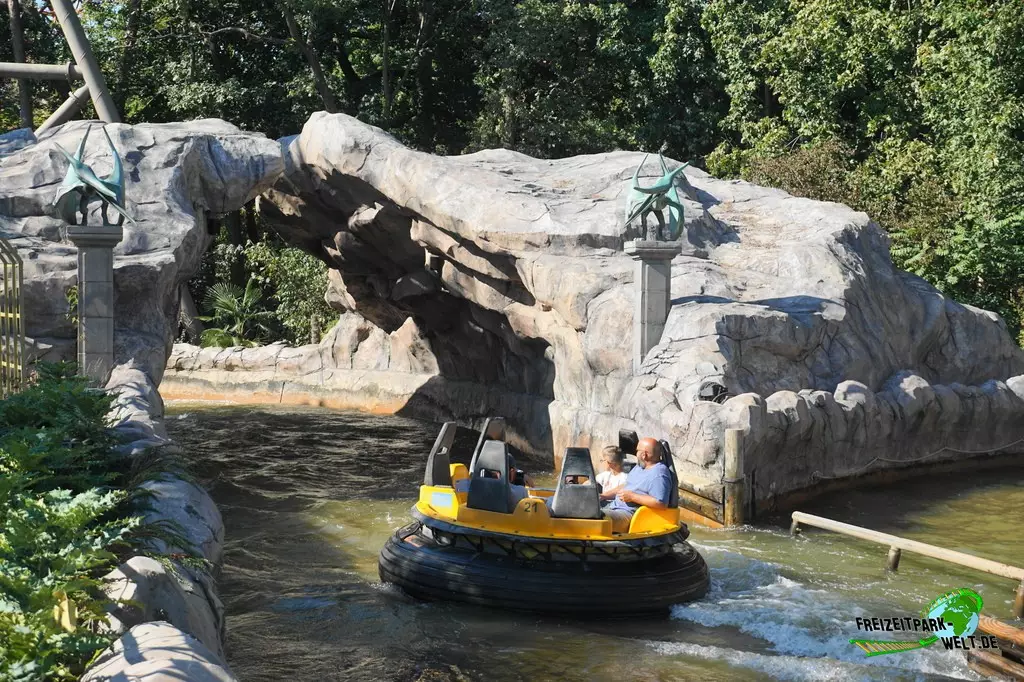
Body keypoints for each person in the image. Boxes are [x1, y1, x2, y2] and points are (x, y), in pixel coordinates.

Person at [604, 437, 673, 533]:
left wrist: (632, 497)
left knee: (596, 517)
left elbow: (661, 503)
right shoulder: (640, 467)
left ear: (644, 455)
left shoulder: (659, 474)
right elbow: (626, 485)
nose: (636, 453)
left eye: (637, 451)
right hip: (614, 506)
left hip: (628, 514)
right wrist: (603, 496)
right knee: (586, 507)